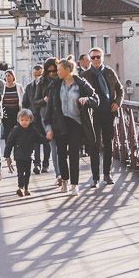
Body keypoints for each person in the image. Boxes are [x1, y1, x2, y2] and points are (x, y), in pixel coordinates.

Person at [44, 56, 99, 194]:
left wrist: (87, 99)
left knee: (74, 154)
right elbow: (50, 108)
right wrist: (48, 127)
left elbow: (96, 99)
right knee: (61, 154)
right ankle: (65, 182)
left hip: (76, 122)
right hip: (60, 122)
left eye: (59, 69)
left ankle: (75, 185)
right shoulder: (55, 85)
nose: (57, 72)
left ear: (68, 70)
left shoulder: (80, 83)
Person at [84, 47, 124, 186]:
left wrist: (117, 103)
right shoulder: (85, 75)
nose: (96, 60)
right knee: (94, 145)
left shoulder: (109, 72)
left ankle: (107, 174)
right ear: (89, 59)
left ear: (102, 58)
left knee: (108, 144)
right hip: (92, 114)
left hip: (108, 112)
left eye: (98, 57)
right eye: (93, 57)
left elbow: (120, 90)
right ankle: (95, 177)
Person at [8, 109, 43, 197]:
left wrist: (47, 138)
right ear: (18, 120)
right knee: (20, 173)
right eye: (22, 120)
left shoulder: (33, 130)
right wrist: (7, 156)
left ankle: (26, 188)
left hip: (28, 156)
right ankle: (20, 187)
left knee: (27, 173)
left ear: (30, 120)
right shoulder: (15, 131)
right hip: (19, 156)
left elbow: (39, 139)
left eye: (26, 120)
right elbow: (9, 143)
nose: (24, 122)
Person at [22, 64, 47, 172]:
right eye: (35, 75)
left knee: (47, 142)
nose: (37, 77)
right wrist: (27, 117)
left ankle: (45, 164)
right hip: (34, 119)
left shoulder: (47, 86)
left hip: (45, 118)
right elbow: (25, 103)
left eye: (39, 75)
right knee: (35, 143)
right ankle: (37, 164)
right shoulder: (29, 87)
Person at [0, 69, 23, 172]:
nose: (7, 77)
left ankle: (17, 159)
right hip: (6, 117)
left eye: (9, 75)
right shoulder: (3, 88)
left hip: (17, 116)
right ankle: (8, 160)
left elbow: (23, 100)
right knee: (8, 139)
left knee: (18, 138)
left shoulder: (19, 87)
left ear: (13, 76)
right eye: (6, 76)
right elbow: (0, 101)